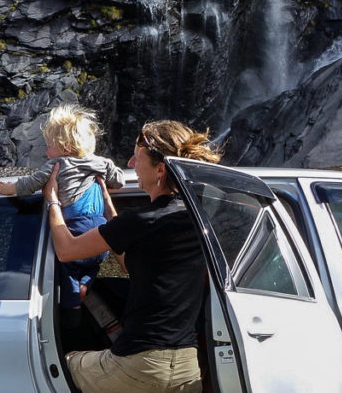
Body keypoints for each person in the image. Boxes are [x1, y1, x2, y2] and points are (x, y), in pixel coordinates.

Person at [42, 120, 222, 393]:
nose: (130, 163)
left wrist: (52, 199)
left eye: (137, 158)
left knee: (59, 365)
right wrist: (110, 212)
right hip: (187, 369)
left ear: (160, 169)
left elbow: (67, 250)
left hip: (139, 365)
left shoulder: (140, 220)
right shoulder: (198, 219)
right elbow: (129, 265)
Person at [0, 104, 124, 317]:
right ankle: (86, 283)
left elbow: (32, 183)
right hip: (101, 233)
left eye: (49, 146)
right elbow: (118, 182)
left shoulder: (57, 165)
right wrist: (106, 181)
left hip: (75, 230)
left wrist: (11, 188)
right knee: (93, 264)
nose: (46, 151)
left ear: (65, 147)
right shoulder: (101, 162)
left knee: (68, 267)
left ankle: (73, 307)